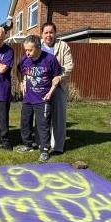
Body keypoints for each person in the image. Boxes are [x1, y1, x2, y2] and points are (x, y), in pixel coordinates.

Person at [17, 35, 61, 162]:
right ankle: (27, 145)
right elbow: (19, 71)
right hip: (28, 98)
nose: (27, 53)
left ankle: (44, 150)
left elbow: (57, 77)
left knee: (43, 125)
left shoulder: (50, 59)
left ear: (38, 47)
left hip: (43, 99)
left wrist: (51, 92)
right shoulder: (24, 60)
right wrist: (21, 82)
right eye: (25, 50)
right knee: (25, 122)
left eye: (30, 50)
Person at [40, 22, 74, 154]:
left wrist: (60, 76)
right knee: (42, 117)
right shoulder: (39, 47)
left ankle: (58, 146)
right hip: (42, 88)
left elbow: (69, 65)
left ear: (55, 33)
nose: (49, 35)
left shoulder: (63, 46)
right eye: (46, 32)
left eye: (51, 32)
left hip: (58, 87)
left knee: (58, 117)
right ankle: (42, 143)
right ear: (41, 34)